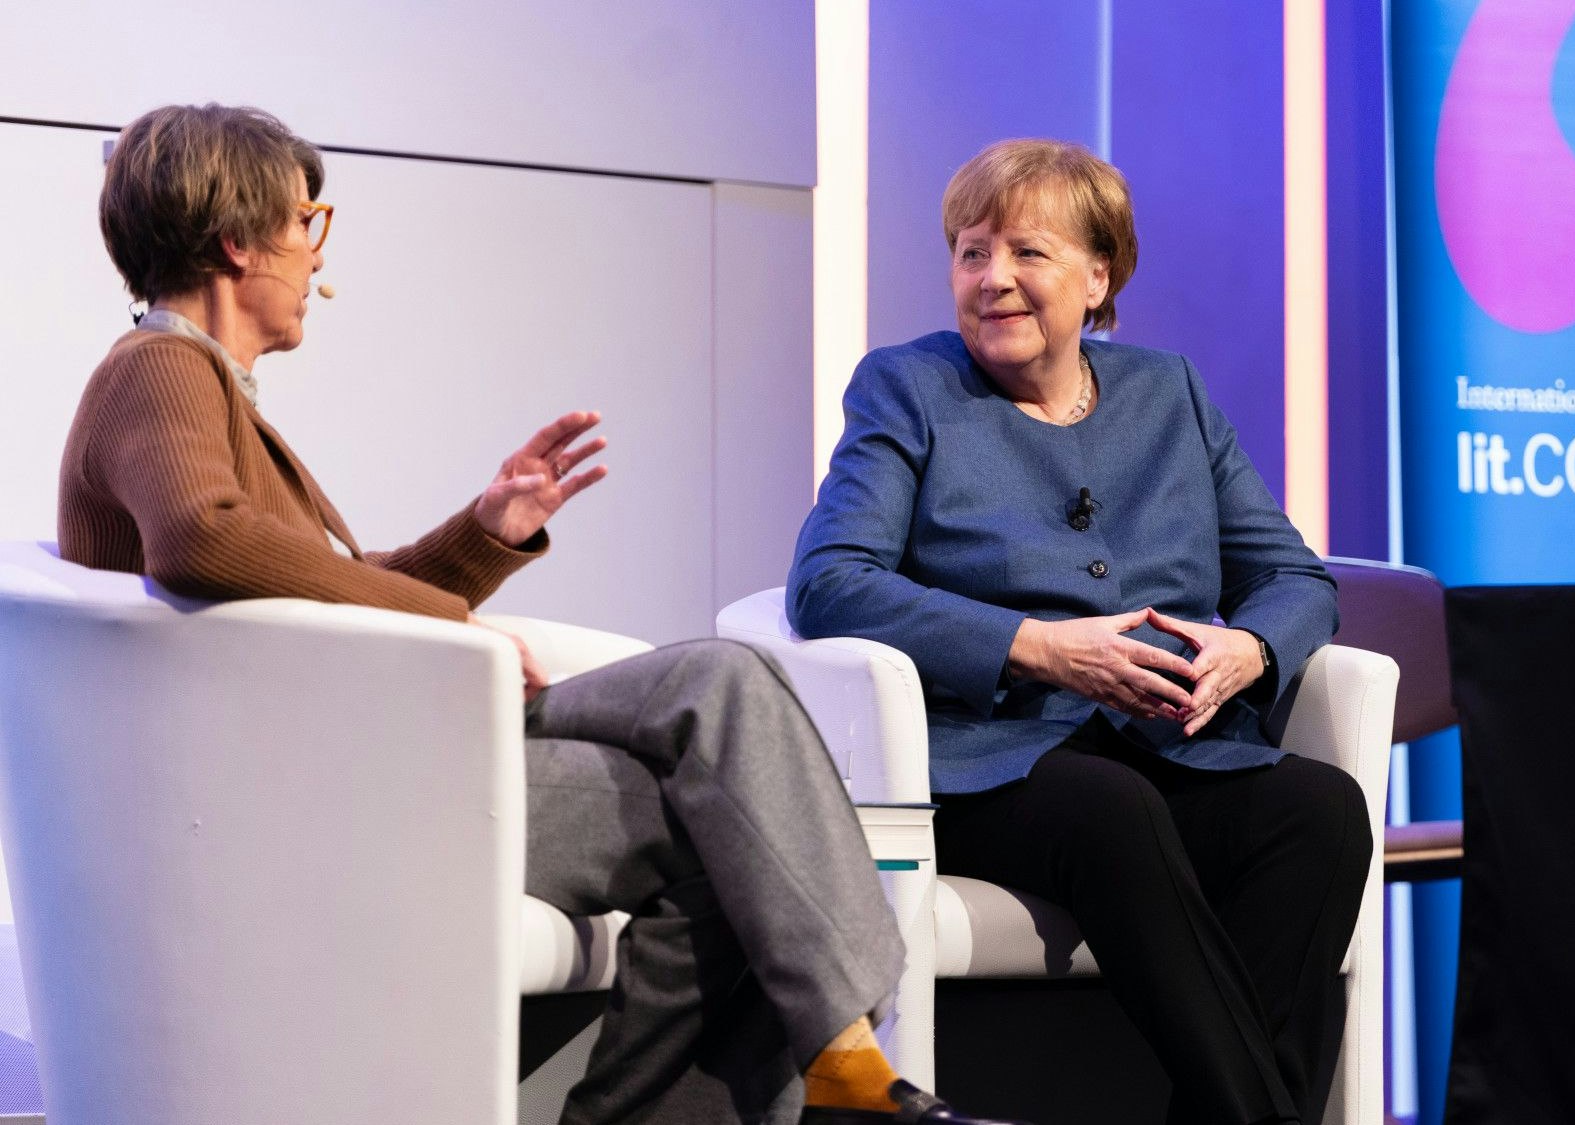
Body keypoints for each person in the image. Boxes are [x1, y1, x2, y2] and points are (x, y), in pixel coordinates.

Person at [60, 102, 1021, 1125]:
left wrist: (485, 531)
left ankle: (839, 1055)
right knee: (733, 777)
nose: (317, 253)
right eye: (306, 221)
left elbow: (312, 585)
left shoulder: (204, 387)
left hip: (365, 753)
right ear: (236, 241)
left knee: (733, 757)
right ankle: (850, 1054)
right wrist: (448, 625)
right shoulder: (157, 370)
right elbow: (203, 539)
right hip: (330, 787)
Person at [788, 138, 1374, 1125]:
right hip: (988, 761)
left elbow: (1291, 576)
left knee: (1319, 811)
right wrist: (1039, 646)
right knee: (1112, 810)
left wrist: (1249, 650)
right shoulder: (907, 388)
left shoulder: (1168, 393)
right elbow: (829, 583)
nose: (993, 278)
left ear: (1098, 277)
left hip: (1165, 744)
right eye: (972, 252)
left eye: (1028, 251)